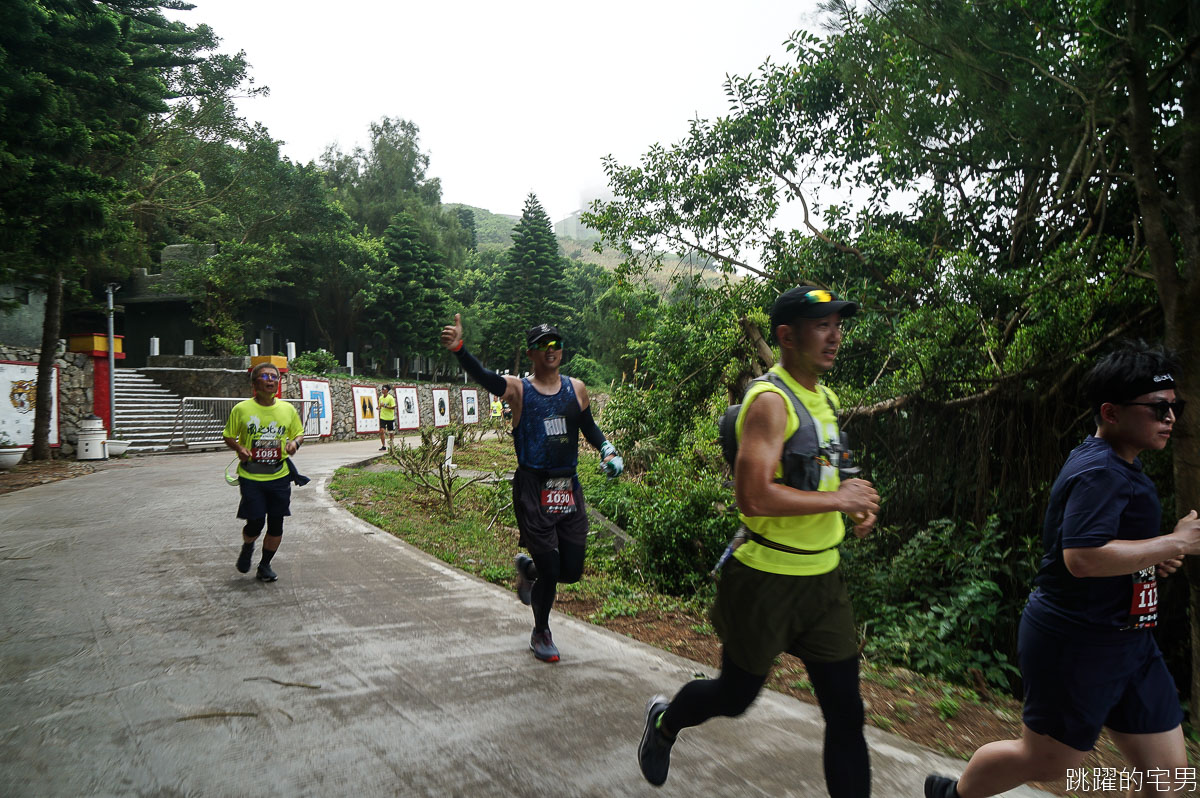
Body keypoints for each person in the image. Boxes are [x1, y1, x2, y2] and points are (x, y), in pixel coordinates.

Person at [925, 341, 1200, 798]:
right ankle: (952, 795)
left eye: (1176, 407)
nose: (1170, 418)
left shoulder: (1120, 464)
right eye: (1157, 408)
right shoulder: (1102, 472)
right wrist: (1174, 542)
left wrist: (1157, 554)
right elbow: (1082, 556)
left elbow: (1114, 547)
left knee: (1168, 776)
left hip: (1132, 642)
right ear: (1111, 413)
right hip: (1077, 643)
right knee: (1047, 760)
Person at [637, 286, 879, 797]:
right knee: (735, 695)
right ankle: (664, 723)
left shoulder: (827, 397)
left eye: (838, 324)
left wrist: (858, 503)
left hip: (823, 582)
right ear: (786, 336)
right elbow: (753, 497)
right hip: (766, 579)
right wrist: (839, 501)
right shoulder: (770, 402)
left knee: (846, 714)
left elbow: (836, 465)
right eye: (822, 325)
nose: (835, 336)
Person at [440, 314, 623, 662]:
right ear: (531, 354)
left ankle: (529, 570)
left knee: (571, 569)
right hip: (533, 488)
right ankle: (541, 631)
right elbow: (487, 379)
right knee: (552, 571)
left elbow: (590, 428)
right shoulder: (519, 390)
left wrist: (608, 449)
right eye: (542, 345)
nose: (550, 350)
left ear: (562, 351)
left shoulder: (577, 389)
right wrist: (460, 350)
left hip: (567, 487)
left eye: (555, 344)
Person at [222, 362, 305, 583]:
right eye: (265, 376)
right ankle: (248, 545)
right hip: (251, 477)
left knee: (277, 523)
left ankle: (265, 564)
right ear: (254, 384)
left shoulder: (287, 409)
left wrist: (294, 445)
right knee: (255, 522)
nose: (271, 380)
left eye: (274, 377)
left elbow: (298, 434)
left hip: (279, 476)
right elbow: (228, 435)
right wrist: (239, 448)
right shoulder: (241, 409)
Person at [378, 384, 396, 451]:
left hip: (390, 418)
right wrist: (378, 407)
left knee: (391, 432)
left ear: (387, 390)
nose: (382, 390)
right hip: (382, 417)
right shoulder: (380, 398)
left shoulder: (390, 398)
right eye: (382, 389)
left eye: (384, 389)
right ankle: (383, 446)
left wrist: (385, 406)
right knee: (382, 431)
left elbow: (393, 407)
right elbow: (380, 405)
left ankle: (391, 445)